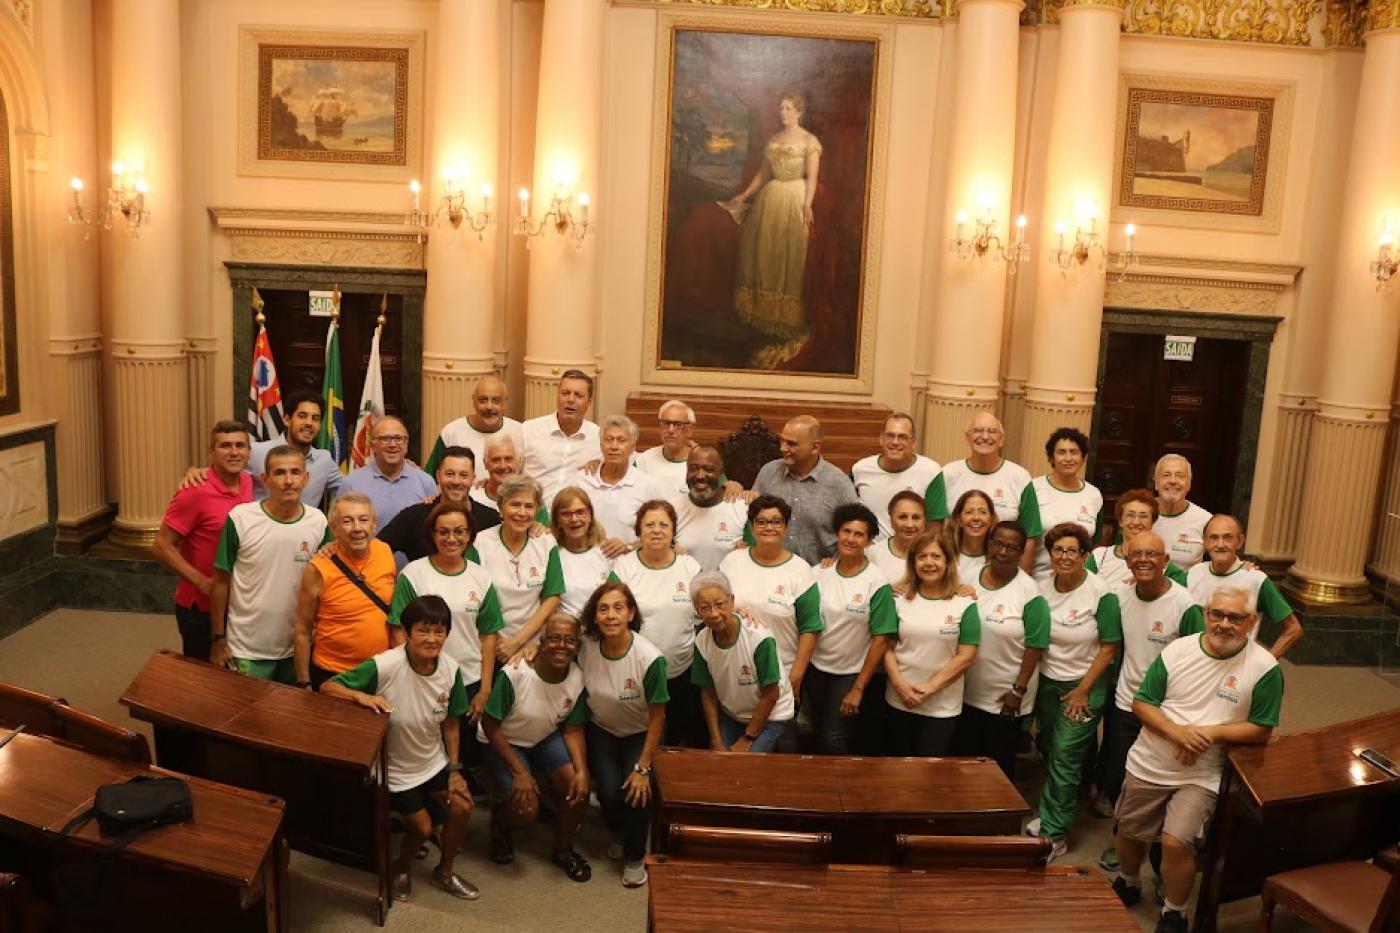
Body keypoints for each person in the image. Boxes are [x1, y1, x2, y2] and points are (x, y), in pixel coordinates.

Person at [1111, 586, 1282, 933]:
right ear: (1205, 614)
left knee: (1177, 841)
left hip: (1201, 774)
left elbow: (1262, 729)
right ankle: (1128, 881)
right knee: (1129, 830)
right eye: (1216, 614)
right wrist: (1178, 733)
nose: (1223, 624)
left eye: (1235, 618)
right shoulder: (1177, 650)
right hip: (1150, 761)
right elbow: (1142, 703)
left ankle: (1174, 912)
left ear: (1251, 622)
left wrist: (1205, 734)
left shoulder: (1265, 667)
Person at [322, 596, 479, 902]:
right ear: (407, 632)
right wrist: (363, 698)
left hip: (432, 761)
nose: (431, 639)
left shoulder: (450, 669)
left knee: (463, 807)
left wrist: (455, 770)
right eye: (423, 631)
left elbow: (451, 723)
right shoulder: (385, 665)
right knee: (422, 827)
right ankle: (401, 867)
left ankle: (445, 872)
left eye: (439, 631)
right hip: (392, 768)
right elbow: (328, 687)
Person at [1097, 531, 1205, 873]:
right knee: (1117, 780)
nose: (1143, 559)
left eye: (1152, 554)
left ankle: (1160, 863)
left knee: (1161, 785)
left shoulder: (1185, 604)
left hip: (1168, 712)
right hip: (1126, 704)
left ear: (1166, 562)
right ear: (1127, 560)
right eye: (1137, 554)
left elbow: (1199, 660)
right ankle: (1126, 843)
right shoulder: (1119, 596)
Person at [1025, 523, 1122, 861]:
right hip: (1047, 683)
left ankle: (1054, 834)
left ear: (1084, 555)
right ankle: (1061, 807)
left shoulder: (1101, 592)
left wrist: (1082, 690)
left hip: (1084, 686)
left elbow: (1109, 647)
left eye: (1072, 551)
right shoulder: (1040, 588)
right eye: (1058, 550)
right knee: (1051, 749)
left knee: (1065, 756)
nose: (1064, 556)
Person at [479, 613, 592, 882]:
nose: (561, 646)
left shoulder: (577, 677)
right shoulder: (517, 673)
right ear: (542, 642)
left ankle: (563, 849)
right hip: (504, 738)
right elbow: (489, 724)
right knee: (525, 808)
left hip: (543, 735)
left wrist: (582, 770)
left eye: (569, 640)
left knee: (578, 789)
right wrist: (520, 772)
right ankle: (500, 824)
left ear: (578, 645)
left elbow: (574, 728)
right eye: (553, 638)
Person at [389, 503, 504, 762]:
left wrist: (485, 690)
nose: (452, 539)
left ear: (470, 535)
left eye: (459, 532)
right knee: (425, 751)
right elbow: (398, 628)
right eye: (443, 532)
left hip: (470, 679)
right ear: (432, 535)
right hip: (425, 677)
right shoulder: (414, 574)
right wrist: (411, 673)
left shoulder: (481, 577)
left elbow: (488, 635)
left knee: (465, 753)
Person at [208, 446, 330, 683]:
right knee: (247, 718)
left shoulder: (319, 522)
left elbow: (327, 583)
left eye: (295, 472)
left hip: (297, 649)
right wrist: (217, 638)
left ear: (306, 478)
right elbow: (221, 582)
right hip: (246, 648)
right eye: (279, 473)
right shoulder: (240, 518)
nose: (288, 481)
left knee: (289, 717)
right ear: (265, 479)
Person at [577, 583, 668, 888]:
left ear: (631, 613)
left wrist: (644, 767)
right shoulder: (586, 645)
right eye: (603, 609)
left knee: (637, 793)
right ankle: (617, 832)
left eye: (618, 608)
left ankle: (634, 856)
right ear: (595, 616)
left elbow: (658, 716)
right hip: (602, 729)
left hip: (639, 732)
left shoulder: (649, 658)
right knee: (607, 793)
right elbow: (556, 643)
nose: (611, 615)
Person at [723, 91, 822, 370]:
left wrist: (808, 204)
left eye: (788, 108)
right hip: (770, 197)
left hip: (794, 198)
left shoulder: (809, 141)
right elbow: (763, 174)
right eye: (781, 108)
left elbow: (812, 177)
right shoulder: (774, 140)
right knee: (763, 252)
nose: (783, 112)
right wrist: (744, 196)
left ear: (799, 111)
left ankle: (785, 317)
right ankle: (762, 312)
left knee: (788, 254)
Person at [955, 521, 1050, 779]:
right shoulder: (968, 577)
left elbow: (1035, 646)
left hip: (1005, 697)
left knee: (997, 768)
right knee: (965, 762)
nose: (1003, 551)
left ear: (1021, 552)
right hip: (966, 691)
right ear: (989, 544)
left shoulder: (1030, 593)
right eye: (998, 543)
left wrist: (1017, 691)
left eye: (1012, 547)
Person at [154, 420, 254, 660]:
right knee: (202, 677)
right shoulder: (194, 490)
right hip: (200, 607)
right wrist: (202, 582)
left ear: (249, 452)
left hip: (236, 603)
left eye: (240, 445)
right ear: (211, 451)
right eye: (225, 446)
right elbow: (161, 545)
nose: (234, 452)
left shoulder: (248, 482)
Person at [610, 500, 704, 747]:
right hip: (636, 671)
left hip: (681, 671)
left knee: (677, 741)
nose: (656, 530)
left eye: (664, 524)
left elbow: (710, 608)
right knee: (645, 740)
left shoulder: (690, 566)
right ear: (638, 531)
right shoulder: (624, 568)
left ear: (673, 531)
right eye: (649, 524)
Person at [808, 503, 897, 755]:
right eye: (846, 531)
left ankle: (839, 791)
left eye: (859, 534)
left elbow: (881, 639)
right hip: (816, 669)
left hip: (849, 673)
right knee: (816, 731)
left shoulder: (876, 581)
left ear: (869, 541)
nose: (851, 539)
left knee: (833, 737)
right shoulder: (818, 574)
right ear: (837, 534)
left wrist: (858, 688)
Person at [884, 530, 980, 756]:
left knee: (928, 773)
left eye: (936, 557)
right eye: (922, 557)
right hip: (899, 700)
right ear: (913, 562)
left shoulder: (965, 603)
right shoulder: (897, 599)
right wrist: (900, 687)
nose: (929, 563)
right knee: (898, 769)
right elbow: (885, 647)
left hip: (942, 707)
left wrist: (929, 688)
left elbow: (967, 655)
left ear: (948, 562)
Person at [718, 495, 822, 701]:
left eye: (776, 522)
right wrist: (736, 609)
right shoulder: (732, 561)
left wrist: (796, 676)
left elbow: (810, 628)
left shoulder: (801, 570)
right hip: (734, 669)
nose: (769, 527)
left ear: (786, 527)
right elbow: (716, 607)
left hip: (782, 674)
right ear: (752, 526)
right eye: (762, 521)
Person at [294, 493, 396, 690]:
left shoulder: (385, 552)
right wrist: (304, 682)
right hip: (333, 674)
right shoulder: (318, 568)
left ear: (374, 524)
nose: (357, 528)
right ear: (334, 528)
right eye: (347, 521)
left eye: (364, 520)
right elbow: (302, 631)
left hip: (381, 671)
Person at [689, 571, 796, 753]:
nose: (714, 613)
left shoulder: (758, 638)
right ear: (697, 611)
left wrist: (748, 738)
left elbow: (771, 694)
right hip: (733, 715)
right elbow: (708, 692)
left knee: (744, 765)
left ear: (732, 601)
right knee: (720, 760)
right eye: (705, 607)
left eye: (719, 604)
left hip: (771, 714)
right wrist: (715, 739)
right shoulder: (702, 640)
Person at [925, 412, 1041, 572]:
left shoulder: (1020, 477)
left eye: (992, 431)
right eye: (978, 430)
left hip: (1003, 572)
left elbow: (1030, 537)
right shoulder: (947, 474)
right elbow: (933, 531)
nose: (985, 436)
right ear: (967, 437)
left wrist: (1020, 580)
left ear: (1001, 439)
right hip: (954, 568)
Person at [473, 475, 564, 662]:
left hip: (532, 646)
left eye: (529, 506)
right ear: (500, 507)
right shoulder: (480, 543)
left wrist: (518, 642)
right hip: (488, 644)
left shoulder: (546, 543)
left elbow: (552, 597)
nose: (522, 513)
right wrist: (500, 643)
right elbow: (474, 598)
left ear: (537, 510)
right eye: (515, 504)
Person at [1187, 514, 1303, 659]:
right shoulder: (1193, 574)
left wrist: (1266, 665)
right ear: (1205, 542)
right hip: (1196, 663)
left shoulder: (1255, 579)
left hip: (1236, 669)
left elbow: (1293, 629)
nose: (1220, 544)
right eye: (1214, 538)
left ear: (1240, 541)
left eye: (1228, 538)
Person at [753, 415, 858, 564]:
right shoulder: (768, 472)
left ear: (815, 447)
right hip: (771, 570)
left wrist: (838, 561)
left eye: (791, 444)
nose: (782, 448)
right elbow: (752, 518)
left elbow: (856, 530)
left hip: (819, 574)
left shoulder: (839, 483)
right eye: (782, 441)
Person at [378, 446, 500, 567]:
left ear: (473, 479)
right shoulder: (413, 517)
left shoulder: (490, 519)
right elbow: (376, 549)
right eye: (450, 474)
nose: (456, 481)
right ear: (438, 476)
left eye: (463, 475)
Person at [575, 416, 667, 553]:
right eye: (608, 440)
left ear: (633, 447)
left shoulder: (649, 485)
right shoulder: (581, 481)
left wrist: (628, 547)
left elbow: (660, 532)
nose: (614, 446)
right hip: (586, 561)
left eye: (621, 440)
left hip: (631, 565)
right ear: (601, 445)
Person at [851, 413, 941, 542]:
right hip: (870, 555)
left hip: (912, 554)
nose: (895, 442)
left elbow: (935, 528)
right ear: (881, 439)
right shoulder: (860, 469)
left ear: (913, 442)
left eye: (903, 437)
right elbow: (852, 518)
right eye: (890, 436)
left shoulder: (931, 471)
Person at [1029, 427, 1104, 580]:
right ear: (1051, 458)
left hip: (1078, 582)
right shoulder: (1033, 489)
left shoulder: (1094, 495)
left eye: (1074, 452)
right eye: (1061, 452)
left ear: (1083, 458)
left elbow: (1094, 545)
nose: (1068, 458)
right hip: (1038, 579)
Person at [342, 416, 438, 534]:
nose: (392, 444)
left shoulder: (426, 482)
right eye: (385, 439)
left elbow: (435, 529)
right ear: (372, 445)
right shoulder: (351, 484)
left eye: (398, 438)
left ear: (406, 443)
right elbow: (339, 530)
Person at [248, 389, 344, 506]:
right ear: (287, 419)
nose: (309, 423)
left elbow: (350, 488)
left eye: (315, 418)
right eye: (302, 416)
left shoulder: (324, 459)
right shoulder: (257, 452)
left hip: (306, 524)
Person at [521, 370, 600, 504]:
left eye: (578, 395)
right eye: (565, 393)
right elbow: (509, 469)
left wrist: (603, 464)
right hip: (532, 514)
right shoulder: (529, 430)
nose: (570, 399)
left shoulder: (599, 438)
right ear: (557, 396)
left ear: (589, 402)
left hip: (574, 517)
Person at [1087, 488, 1189, 586]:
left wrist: (1155, 582)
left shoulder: (1160, 562)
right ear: (1120, 521)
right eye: (1130, 515)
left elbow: (1182, 592)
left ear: (1152, 522)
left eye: (1143, 516)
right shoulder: (1099, 557)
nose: (1136, 522)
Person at [672, 445, 750, 572]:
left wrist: (745, 555)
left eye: (708, 469)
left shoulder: (742, 507)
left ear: (720, 472)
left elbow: (755, 557)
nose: (700, 476)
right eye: (693, 469)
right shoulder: (672, 509)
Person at [425, 374, 521, 475]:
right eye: (483, 400)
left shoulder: (518, 431)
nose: (489, 407)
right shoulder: (451, 432)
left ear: (504, 403)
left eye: (496, 401)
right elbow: (429, 477)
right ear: (474, 401)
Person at [549, 486, 616, 619]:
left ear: (590, 516)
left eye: (580, 512)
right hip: (565, 634)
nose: (574, 519)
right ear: (558, 521)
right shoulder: (550, 554)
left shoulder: (607, 551)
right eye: (566, 514)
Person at [471, 434, 547, 527]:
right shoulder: (472, 497)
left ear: (519, 461)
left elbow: (545, 534)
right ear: (485, 464)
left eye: (508, 459)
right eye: (496, 460)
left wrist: (540, 528)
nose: (503, 466)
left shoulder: (533, 499)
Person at [1152, 455, 1212, 570]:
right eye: (1166, 475)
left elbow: (1222, 558)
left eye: (1180, 476)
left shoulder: (1206, 521)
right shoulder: (1140, 515)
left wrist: (1245, 567)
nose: (1173, 481)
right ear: (1156, 483)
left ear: (1189, 484)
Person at [865, 490, 926, 590]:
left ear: (924, 521)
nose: (909, 524)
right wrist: (885, 593)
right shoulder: (872, 554)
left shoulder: (936, 553)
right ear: (891, 521)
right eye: (902, 517)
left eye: (916, 517)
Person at [635, 400, 697, 496]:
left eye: (678, 425)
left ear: (690, 430)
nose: (671, 430)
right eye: (666, 423)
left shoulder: (704, 460)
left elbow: (723, 490)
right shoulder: (645, 459)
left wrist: (729, 486)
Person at [950, 489, 996, 585]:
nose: (976, 517)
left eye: (982, 512)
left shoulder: (999, 558)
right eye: (969, 512)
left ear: (991, 519)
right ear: (959, 520)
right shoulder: (945, 555)